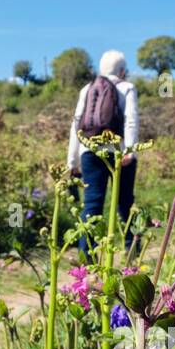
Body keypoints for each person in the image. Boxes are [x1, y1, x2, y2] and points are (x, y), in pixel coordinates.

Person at [67, 49, 139, 252]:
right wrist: (130, 151)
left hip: (90, 151)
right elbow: (131, 121)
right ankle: (131, 252)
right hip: (119, 152)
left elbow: (76, 127)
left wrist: (72, 163)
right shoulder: (127, 87)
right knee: (125, 203)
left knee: (91, 205)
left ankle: (86, 256)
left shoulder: (86, 89)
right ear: (122, 70)